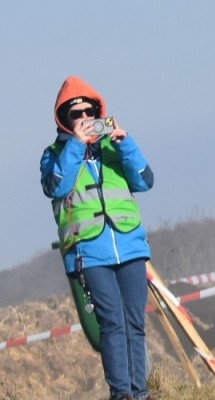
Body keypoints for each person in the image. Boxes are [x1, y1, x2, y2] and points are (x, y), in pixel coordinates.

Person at [40, 76, 155, 400]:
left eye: (88, 112)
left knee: (135, 322)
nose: (83, 118)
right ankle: (121, 394)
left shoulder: (112, 146)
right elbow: (57, 186)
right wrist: (76, 145)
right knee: (112, 322)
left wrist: (125, 143)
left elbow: (145, 180)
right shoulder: (53, 154)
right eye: (75, 114)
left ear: (97, 112)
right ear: (64, 118)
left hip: (130, 245)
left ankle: (140, 392)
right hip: (89, 251)